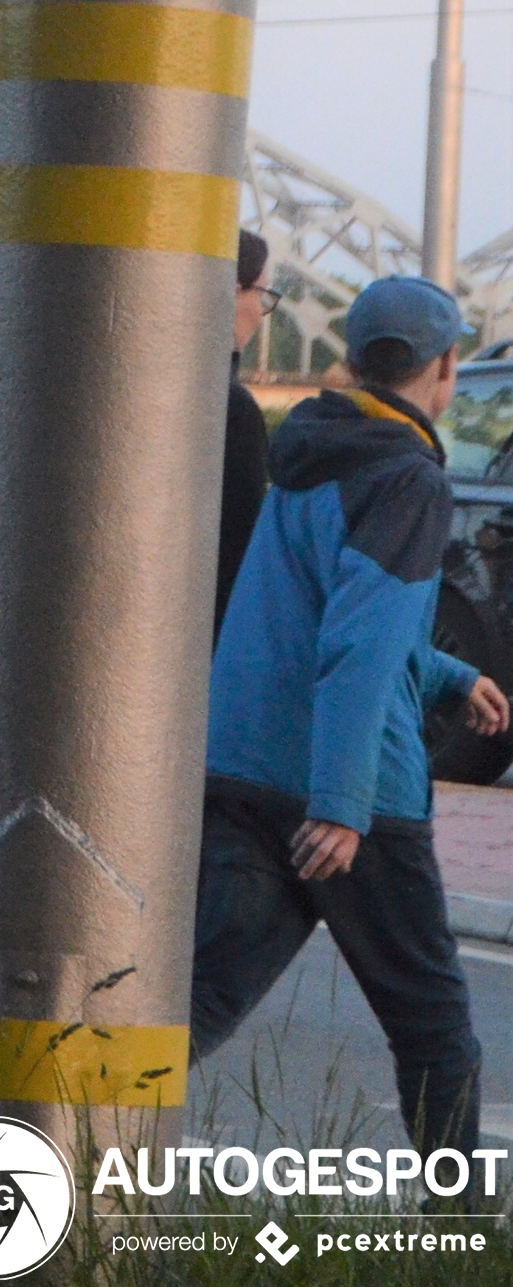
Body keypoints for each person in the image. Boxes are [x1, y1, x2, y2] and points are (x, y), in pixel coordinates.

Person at [194, 275, 511, 1168]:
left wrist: (450, 674)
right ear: (444, 367)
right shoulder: (406, 478)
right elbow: (359, 650)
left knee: (189, 1008)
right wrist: (341, 801)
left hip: (247, 771)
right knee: (437, 1029)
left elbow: (318, 610)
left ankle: (41, 1160)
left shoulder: (312, 446)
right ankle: (461, 1237)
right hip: (353, 800)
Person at [215, 231, 276, 642]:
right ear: (235, 291)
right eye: (262, 294)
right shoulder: (233, 409)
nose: (262, 309)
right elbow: (244, 545)